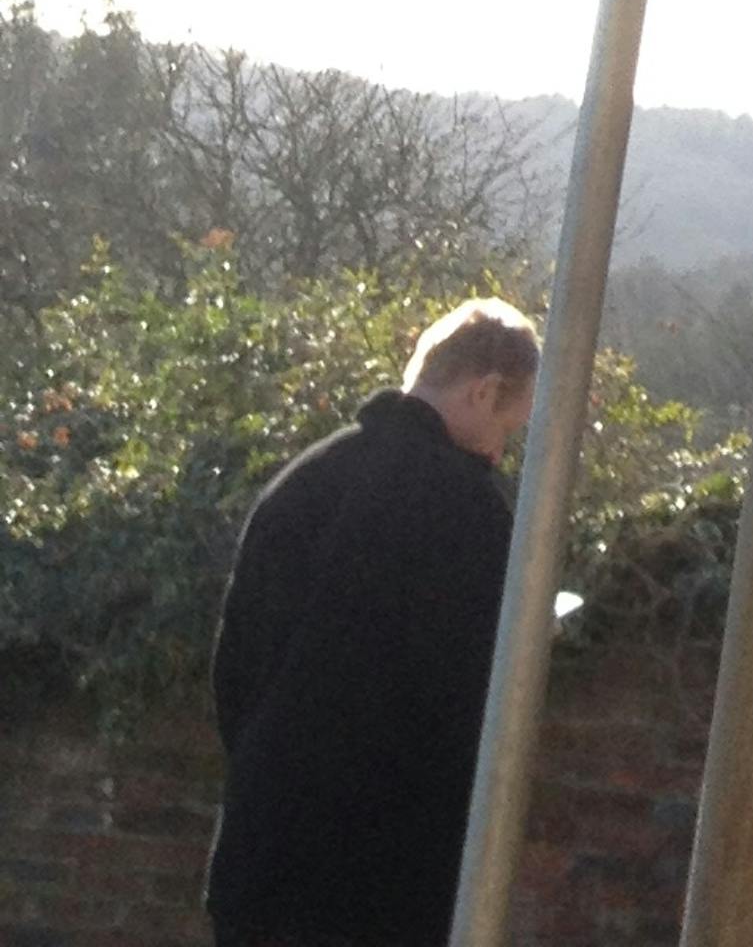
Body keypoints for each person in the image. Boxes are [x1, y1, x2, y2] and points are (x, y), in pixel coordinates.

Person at [206, 298, 540, 947]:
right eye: (510, 426)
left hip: (262, 851)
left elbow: (235, 667)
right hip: (388, 879)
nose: (502, 451)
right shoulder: (467, 509)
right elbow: (473, 700)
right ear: (484, 391)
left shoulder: (300, 481)